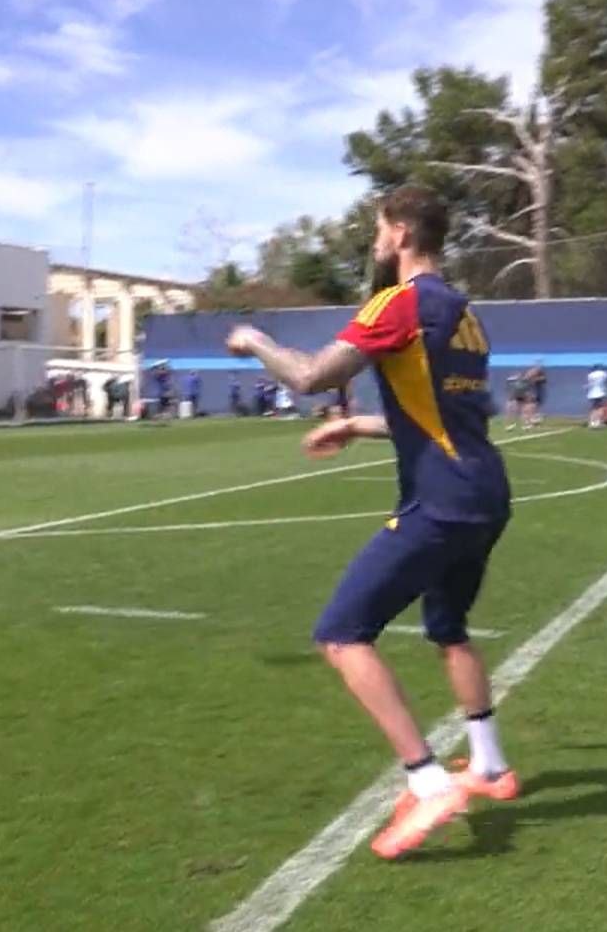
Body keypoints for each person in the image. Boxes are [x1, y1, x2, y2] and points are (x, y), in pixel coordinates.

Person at [226, 185, 516, 860]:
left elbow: (308, 377)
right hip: (486, 497)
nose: (375, 240)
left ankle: (428, 780)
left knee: (341, 633)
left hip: (440, 501)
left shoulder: (401, 304)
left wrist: (255, 340)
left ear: (403, 232)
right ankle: (491, 766)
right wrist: (360, 423)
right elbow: (458, 417)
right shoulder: (466, 313)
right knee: (449, 630)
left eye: (379, 228)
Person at [521, 364, 548, 429]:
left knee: (532, 406)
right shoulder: (528, 379)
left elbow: (544, 379)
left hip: (535, 393)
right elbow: (525, 380)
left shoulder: (538, 379)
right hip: (530, 393)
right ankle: (530, 421)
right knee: (528, 407)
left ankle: (532, 420)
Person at [585, 363, 607, 428]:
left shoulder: (590, 375)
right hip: (600, 392)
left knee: (594, 408)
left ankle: (591, 422)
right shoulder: (603, 373)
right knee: (601, 407)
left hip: (591, 393)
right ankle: (598, 422)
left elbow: (590, 384)